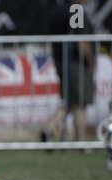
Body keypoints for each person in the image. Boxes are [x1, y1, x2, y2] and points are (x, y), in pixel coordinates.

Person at [41, 0, 95, 145]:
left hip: (61, 60)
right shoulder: (75, 9)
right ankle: (81, 144)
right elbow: (80, 40)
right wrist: (90, 63)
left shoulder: (56, 9)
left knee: (71, 100)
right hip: (75, 62)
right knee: (80, 104)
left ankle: (50, 127)